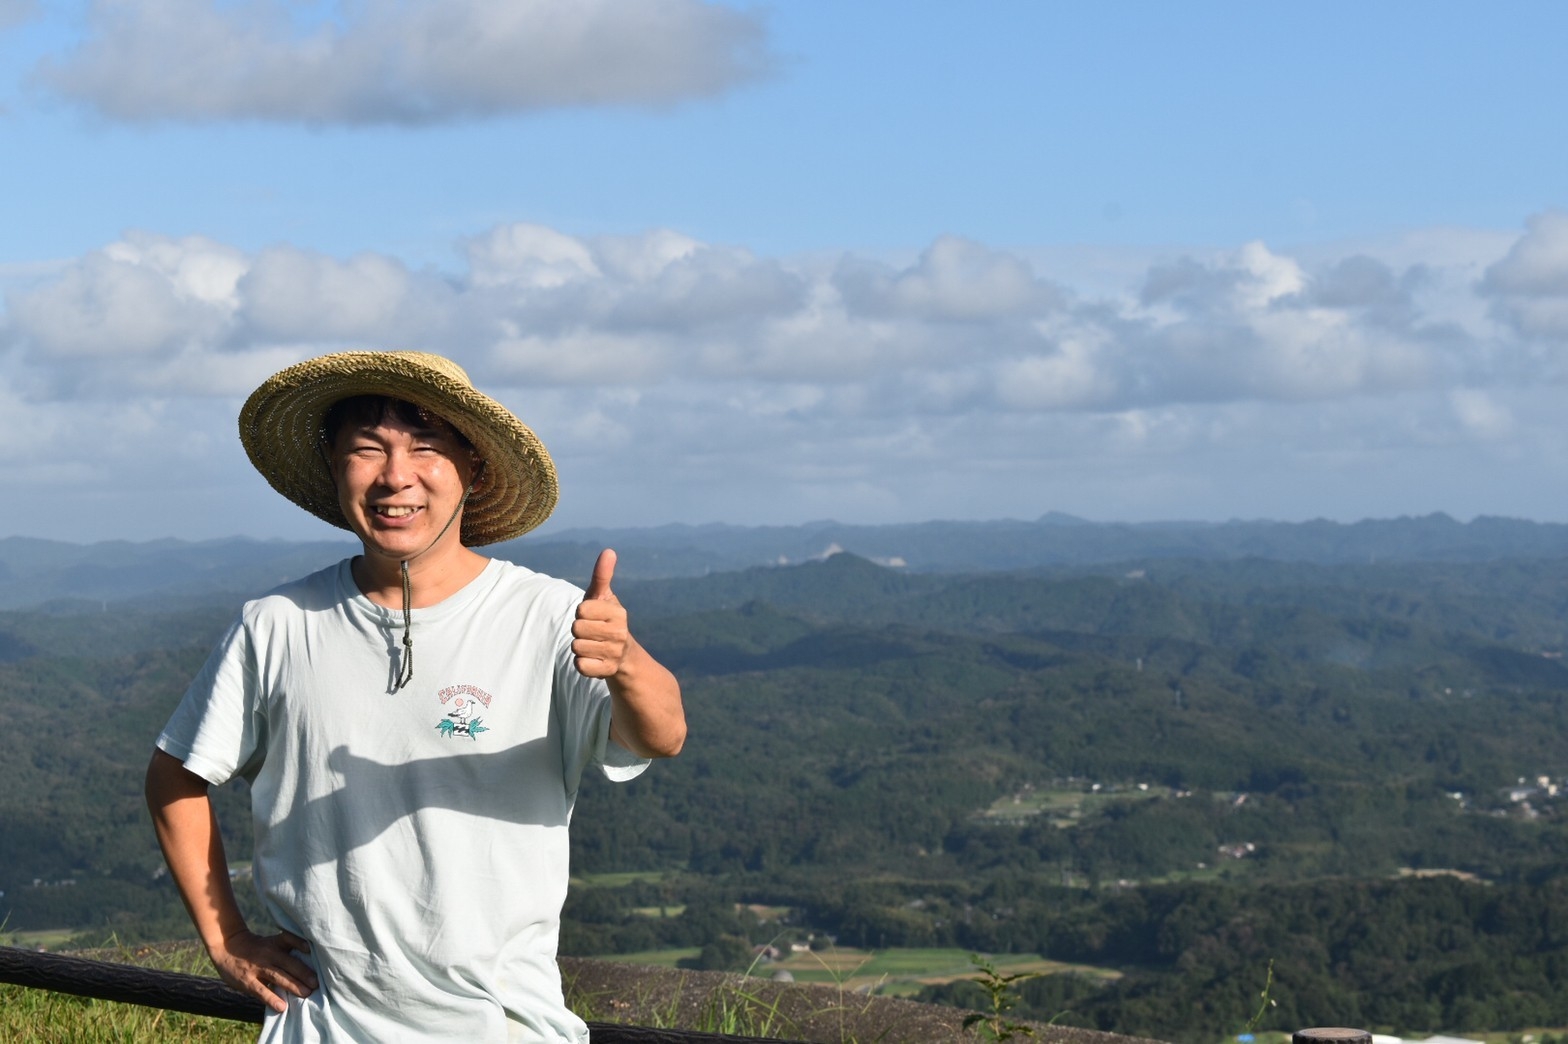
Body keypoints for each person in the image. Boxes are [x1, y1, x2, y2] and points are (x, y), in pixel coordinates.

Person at [145, 350, 685, 1042]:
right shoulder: (276, 625)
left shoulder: (548, 617)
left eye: (426, 448)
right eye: (367, 449)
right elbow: (174, 773)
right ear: (334, 468)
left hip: (507, 1027)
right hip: (323, 1025)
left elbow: (662, 734)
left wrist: (626, 661)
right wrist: (225, 938)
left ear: (474, 470)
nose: (395, 476)